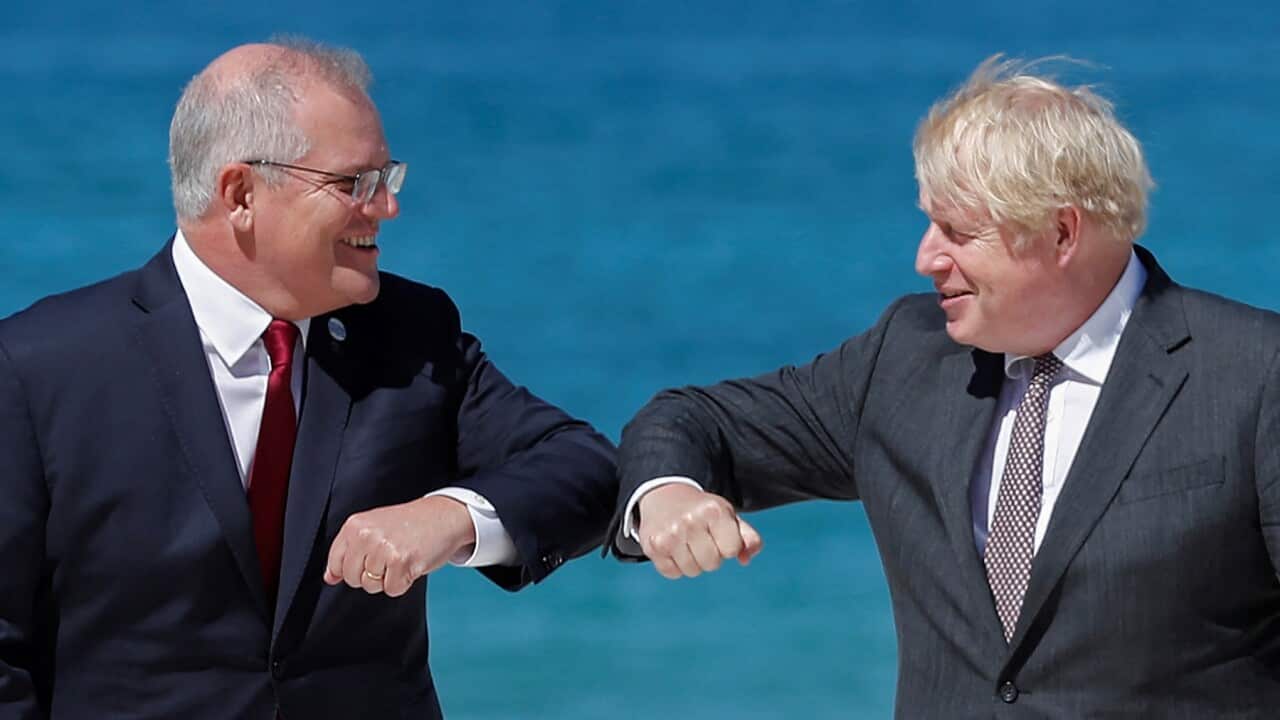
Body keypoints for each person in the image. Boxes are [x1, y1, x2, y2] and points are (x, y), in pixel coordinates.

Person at [610, 55, 1280, 718]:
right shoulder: (904, 356)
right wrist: (667, 494)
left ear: (1061, 232)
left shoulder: (1255, 373)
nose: (926, 257)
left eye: (958, 231)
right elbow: (694, 421)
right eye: (931, 223)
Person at [0, 39, 617, 719]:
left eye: (387, 178)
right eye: (354, 184)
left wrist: (450, 516)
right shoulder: (37, 367)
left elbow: (585, 467)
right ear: (240, 194)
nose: (385, 208)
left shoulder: (411, 334)